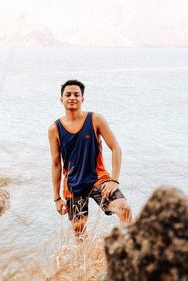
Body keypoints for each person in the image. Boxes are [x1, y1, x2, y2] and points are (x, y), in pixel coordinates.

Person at [48, 79, 133, 240]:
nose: (72, 97)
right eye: (68, 95)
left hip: (98, 180)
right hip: (73, 186)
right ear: (61, 100)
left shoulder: (95, 120)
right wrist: (57, 198)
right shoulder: (54, 128)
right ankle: (86, 262)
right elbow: (56, 163)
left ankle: (131, 249)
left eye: (76, 95)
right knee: (80, 234)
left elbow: (116, 148)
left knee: (124, 209)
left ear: (82, 99)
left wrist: (114, 180)